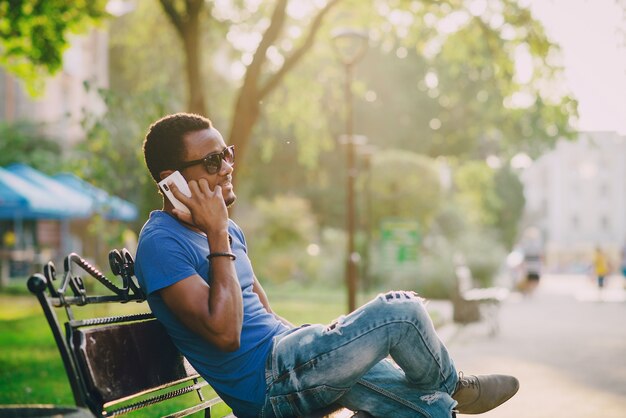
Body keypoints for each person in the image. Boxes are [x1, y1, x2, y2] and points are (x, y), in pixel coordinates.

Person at [134, 113, 519, 418]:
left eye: (227, 153)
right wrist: (217, 234)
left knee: (430, 409)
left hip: (293, 358)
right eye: (212, 160)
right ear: (173, 182)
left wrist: (324, 348)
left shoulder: (228, 230)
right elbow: (226, 335)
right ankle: (456, 384)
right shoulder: (161, 244)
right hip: (269, 386)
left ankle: (446, 394)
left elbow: (262, 311)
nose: (228, 167)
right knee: (401, 313)